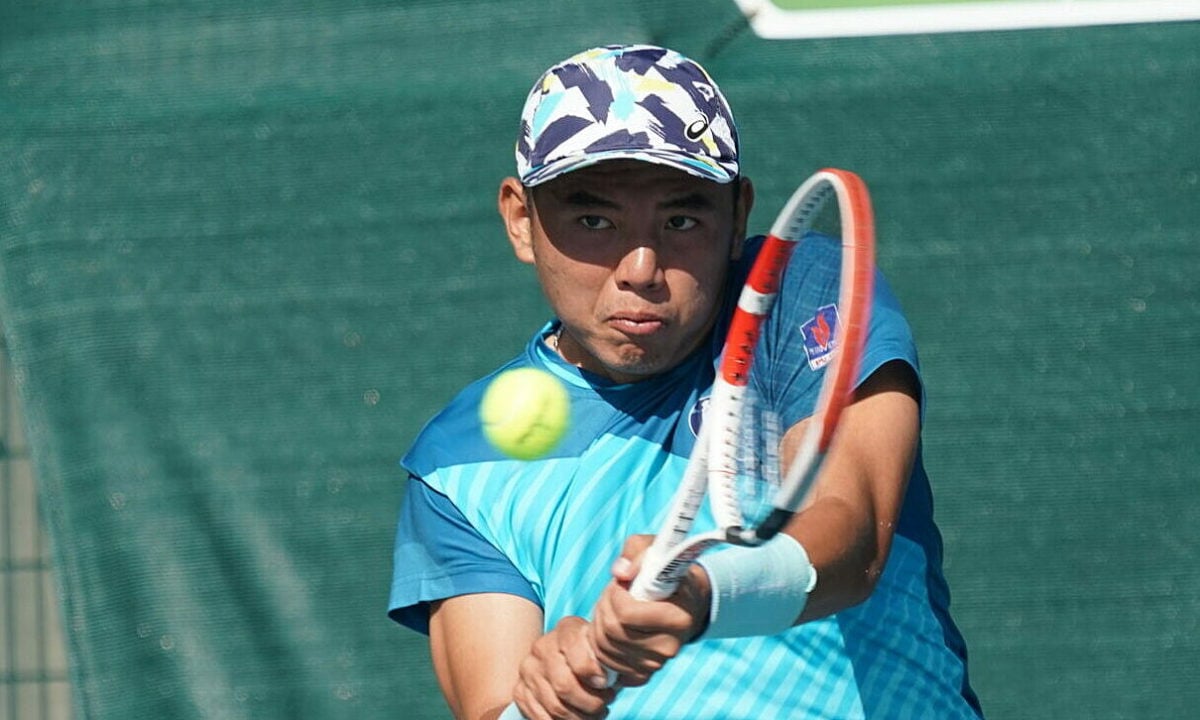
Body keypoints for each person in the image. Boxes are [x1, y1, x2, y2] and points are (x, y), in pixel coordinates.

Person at [388, 44, 982, 720]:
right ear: (521, 219)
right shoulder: (458, 463)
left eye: (680, 220)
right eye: (593, 220)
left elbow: (851, 534)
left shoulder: (798, 291)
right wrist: (552, 697)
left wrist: (702, 592)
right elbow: (494, 705)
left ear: (737, 217)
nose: (641, 267)